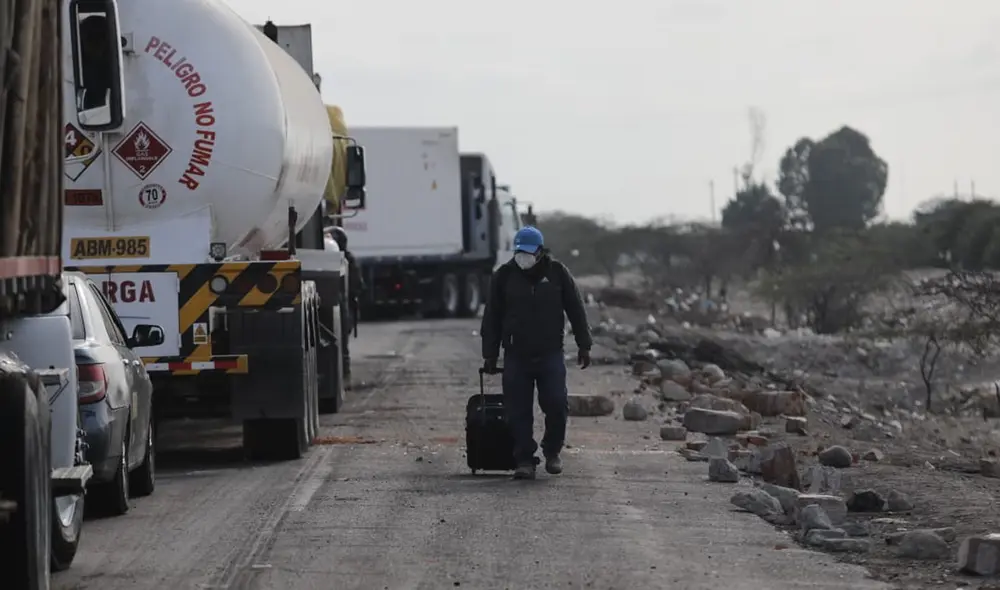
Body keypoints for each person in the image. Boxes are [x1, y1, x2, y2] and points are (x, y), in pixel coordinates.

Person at [480, 226, 592, 480]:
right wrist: (490, 353)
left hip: (550, 352)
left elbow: (576, 308)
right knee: (517, 409)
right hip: (516, 354)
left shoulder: (557, 273)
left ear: (540, 252)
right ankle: (523, 459)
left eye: (528, 252)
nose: (523, 257)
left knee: (555, 403)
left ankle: (552, 452)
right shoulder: (504, 276)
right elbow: (492, 317)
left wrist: (584, 344)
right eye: (519, 251)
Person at [329, 226, 364, 385]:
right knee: (343, 346)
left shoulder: (342, 260)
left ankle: (345, 377)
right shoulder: (348, 259)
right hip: (345, 307)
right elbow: (359, 285)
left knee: (342, 345)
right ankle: (345, 377)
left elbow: (358, 285)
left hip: (345, 307)